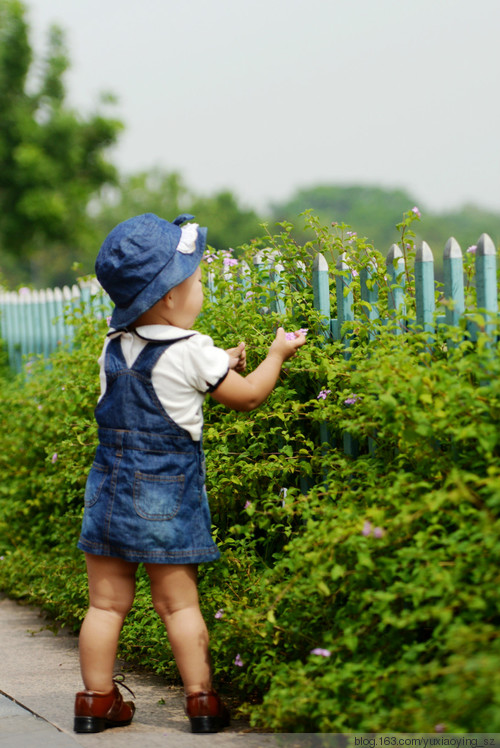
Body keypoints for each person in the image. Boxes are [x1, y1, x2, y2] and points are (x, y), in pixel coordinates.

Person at [73, 213, 306, 734]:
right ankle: (201, 701)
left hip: (107, 490)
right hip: (165, 495)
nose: (200, 290)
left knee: (105, 605)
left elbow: (157, 375)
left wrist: (216, 360)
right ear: (170, 297)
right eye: (196, 281)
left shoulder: (113, 346)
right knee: (178, 605)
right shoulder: (192, 349)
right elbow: (245, 396)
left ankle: (95, 700)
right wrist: (275, 355)